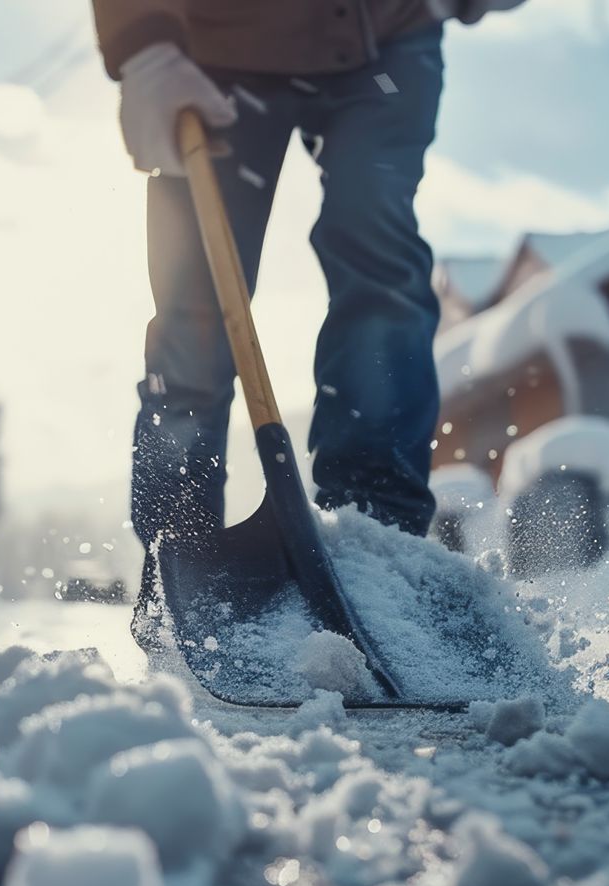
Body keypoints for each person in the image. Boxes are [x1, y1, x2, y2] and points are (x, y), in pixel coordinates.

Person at [90, 0, 525, 632]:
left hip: (384, 35)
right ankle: (181, 567)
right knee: (197, 307)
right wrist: (143, 43)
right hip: (210, 50)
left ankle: (378, 551)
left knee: (379, 262)